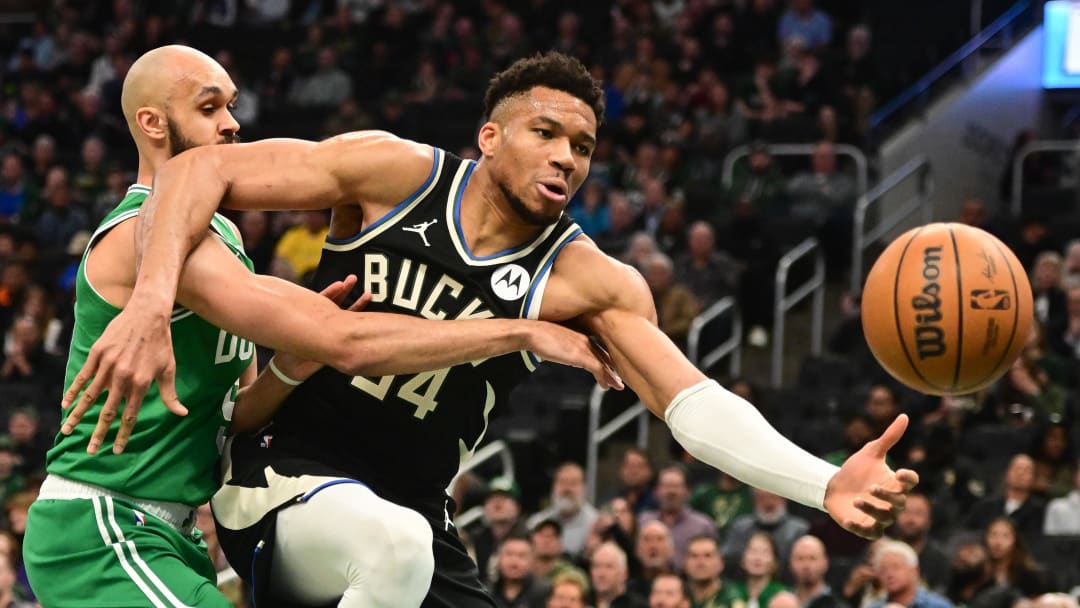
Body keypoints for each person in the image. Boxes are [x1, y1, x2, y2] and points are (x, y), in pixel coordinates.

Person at [76, 51, 918, 606]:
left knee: (405, 540)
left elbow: (689, 403)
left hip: (414, 510)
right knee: (392, 546)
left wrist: (823, 483)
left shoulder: (589, 278)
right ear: (490, 138)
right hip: (283, 477)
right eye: (545, 133)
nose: (565, 157)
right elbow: (200, 168)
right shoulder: (393, 173)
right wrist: (152, 300)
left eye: (582, 145)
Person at [24, 46, 618, 608]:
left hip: (172, 531)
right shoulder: (140, 234)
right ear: (153, 124)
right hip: (103, 523)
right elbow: (348, 342)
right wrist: (521, 331)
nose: (232, 124)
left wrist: (289, 366)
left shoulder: (226, 239)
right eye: (209, 109)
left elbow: (237, 416)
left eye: (232, 105)